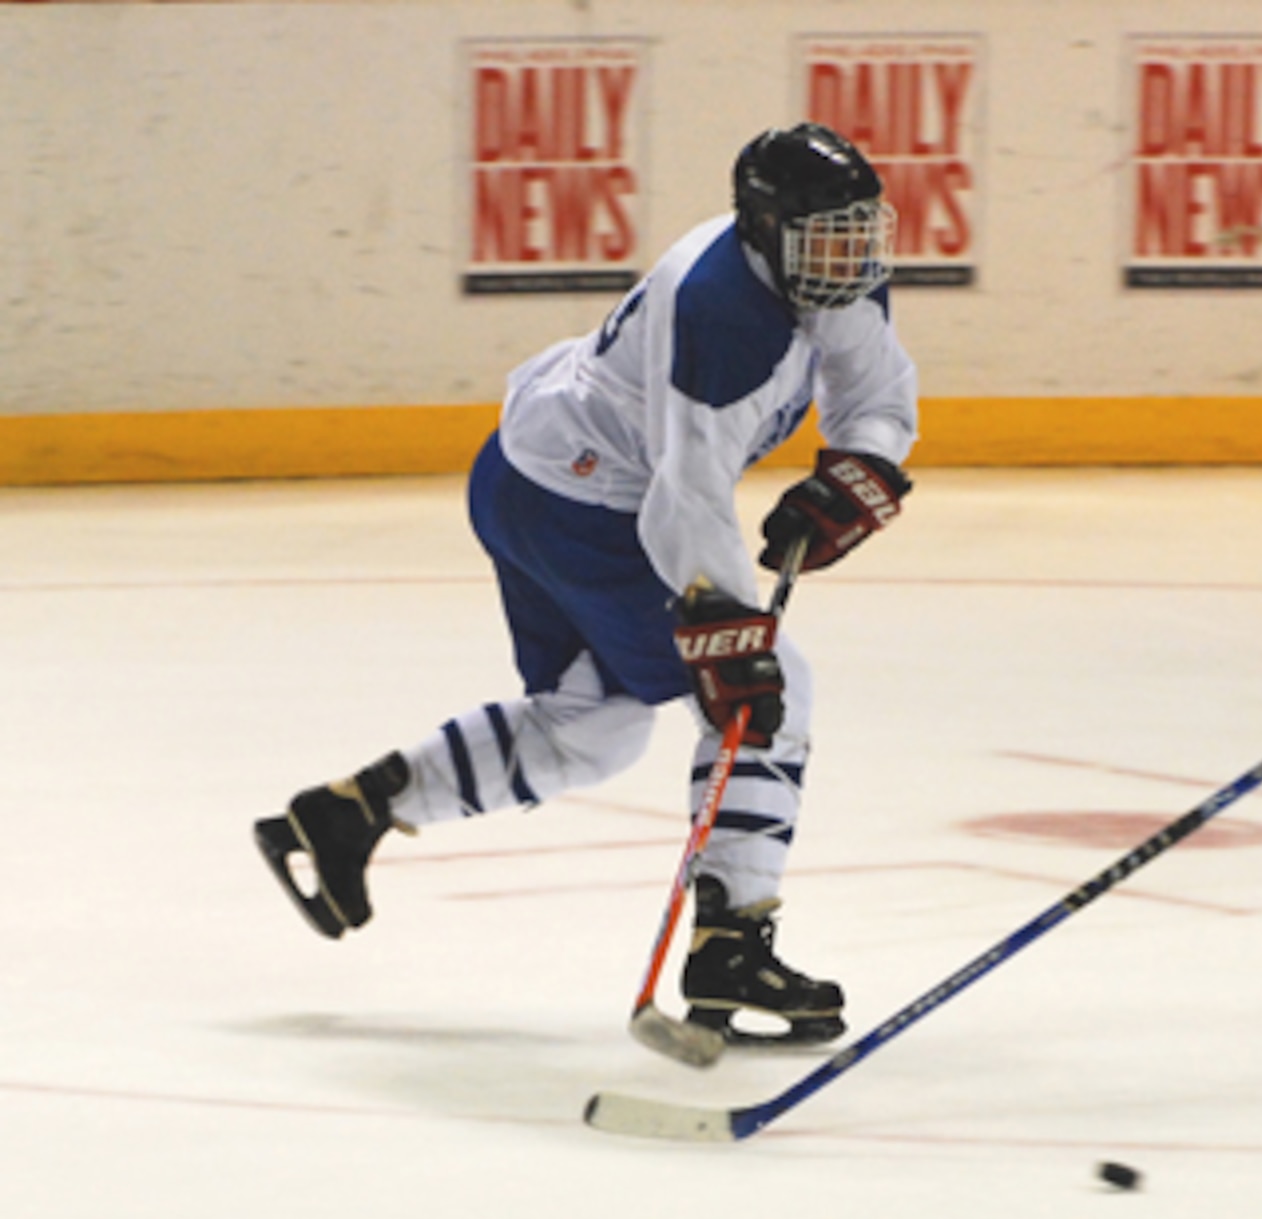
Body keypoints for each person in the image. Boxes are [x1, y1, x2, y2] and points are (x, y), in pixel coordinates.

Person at [254, 123, 917, 1049]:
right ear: (763, 230)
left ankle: (348, 812)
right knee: (771, 692)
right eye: (826, 233)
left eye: (860, 228)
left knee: (589, 726)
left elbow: (877, 398)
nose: (851, 252)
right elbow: (682, 502)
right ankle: (731, 941)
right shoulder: (722, 313)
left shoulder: (824, 268)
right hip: (586, 510)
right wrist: (724, 627)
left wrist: (862, 469)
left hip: (527, 480)